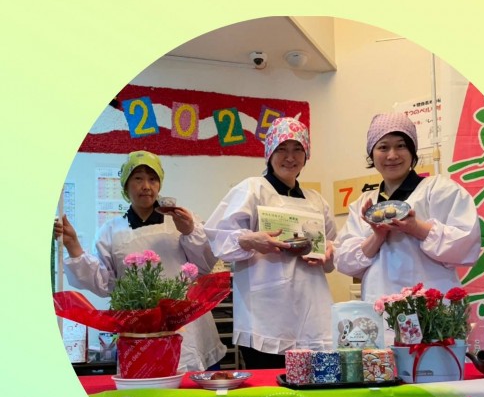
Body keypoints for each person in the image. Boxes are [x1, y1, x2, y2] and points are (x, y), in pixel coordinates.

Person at [53, 150, 226, 372]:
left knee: (190, 388)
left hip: (189, 330)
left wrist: (190, 231)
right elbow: (105, 283)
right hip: (138, 333)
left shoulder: (181, 220)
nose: (146, 186)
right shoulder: (111, 231)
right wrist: (73, 246)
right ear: (125, 186)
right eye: (138, 178)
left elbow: (204, 266)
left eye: (153, 179)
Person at [204, 117, 336, 369]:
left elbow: (330, 247)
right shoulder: (252, 189)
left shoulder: (316, 200)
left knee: (314, 385)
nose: (290, 157)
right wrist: (250, 240)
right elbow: (217, 239)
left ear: (306, 155)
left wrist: (328, 253)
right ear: (269, 153)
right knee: (269, 385)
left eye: (298, 149)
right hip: (265, 315)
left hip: (312, 312)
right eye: (282, 149)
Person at [334, 112, 481, 305]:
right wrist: (377, 237)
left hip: (431, 309)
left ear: (412, 151)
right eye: (383, 147)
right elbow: (343, 262)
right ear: (372, 154)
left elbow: (467, 245)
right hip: (378, 307)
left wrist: (417, 228)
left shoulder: (439, 190)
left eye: (401, 146)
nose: (392, 155)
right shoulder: (363, 204)